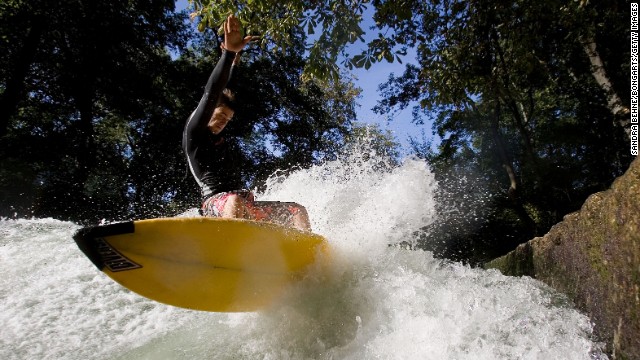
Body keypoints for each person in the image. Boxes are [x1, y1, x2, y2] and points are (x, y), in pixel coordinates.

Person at [182, 14, 311, 231]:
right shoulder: (194, 133)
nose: (224, 122)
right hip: (216, 206)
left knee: (297, 210)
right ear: (208, 112)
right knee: (234, 200)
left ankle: (309, 256)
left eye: (228, 119)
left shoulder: (221, 139)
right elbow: (212, 92)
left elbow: (230, 86)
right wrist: (228, 54)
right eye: (221, 116)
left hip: (244, 204)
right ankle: (226, 249)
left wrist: (235, 61)